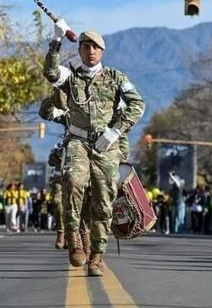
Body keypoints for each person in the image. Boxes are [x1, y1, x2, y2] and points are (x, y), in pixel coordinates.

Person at [43, 23, 145, 277]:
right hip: (78, 140)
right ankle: (74, 238)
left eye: (96, 47)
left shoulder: (115, 78)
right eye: (86, 46)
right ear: (79, 50)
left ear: (103, 51)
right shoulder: (71, 76)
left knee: (103, 202)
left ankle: (97, 257)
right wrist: (56, 39)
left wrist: (115, 132)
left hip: (105, 146)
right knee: (72, 180)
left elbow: (137, 105)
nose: (91, 51)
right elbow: (51, 73)